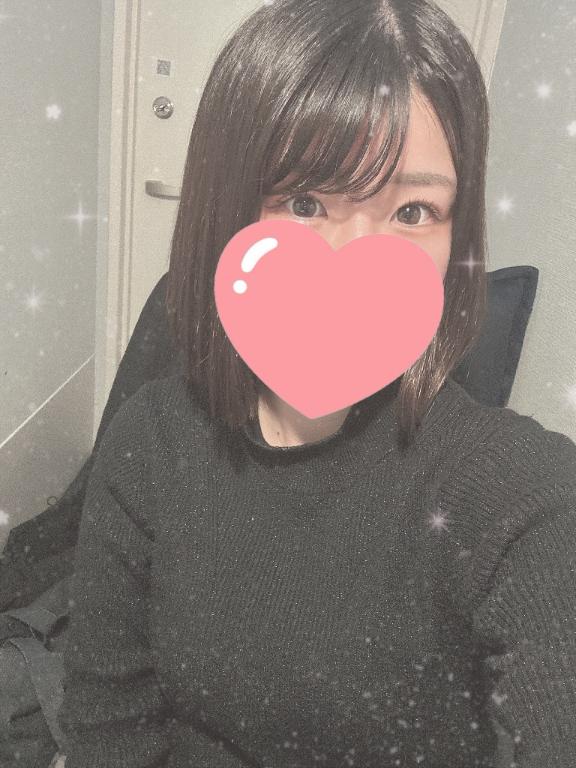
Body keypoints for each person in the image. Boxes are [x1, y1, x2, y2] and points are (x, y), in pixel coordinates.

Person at [57, 0, 576, 766]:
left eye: (413, 210)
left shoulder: (524, 498)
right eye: (306, 203)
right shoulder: (150, 444)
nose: (356, 266)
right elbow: (108, 729)